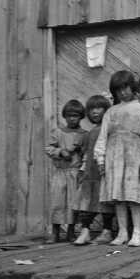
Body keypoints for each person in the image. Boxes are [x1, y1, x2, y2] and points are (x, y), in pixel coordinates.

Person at [94, 71, 140, 246]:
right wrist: (101, 160)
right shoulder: (111, 112)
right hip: (115, 157)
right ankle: (122, 232)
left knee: (133, 196)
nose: (123, 93)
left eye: (125, 88)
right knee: (118, 197)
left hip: (134, 156)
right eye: (118, 90)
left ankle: (137, 232)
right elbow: (103, 137)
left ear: (133, 88)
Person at [72, 95, 115, 245]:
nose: (95, 112)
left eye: (99, 108)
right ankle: (85, 231)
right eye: (91, 109)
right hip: (90, 173)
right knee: (87, 203)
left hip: (104, 171)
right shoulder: (90, 133)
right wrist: (83, 169)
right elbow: (87, 153)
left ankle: (107, 230)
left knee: (105, 203)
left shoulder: (109, 129)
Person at [44, 99, 87, 243]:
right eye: (69, 115)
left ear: (81, 116)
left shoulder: (84, 134)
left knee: (73, 203)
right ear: (65, 116)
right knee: (57, 202)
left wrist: (81, 151)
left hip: (75, 173)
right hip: (60, 173)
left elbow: (87, 153)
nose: (72, 118)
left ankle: (70, 232)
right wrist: (61, 151)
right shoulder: (58, 132)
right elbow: (48, 149)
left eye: (75, 115)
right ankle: (55, 232)